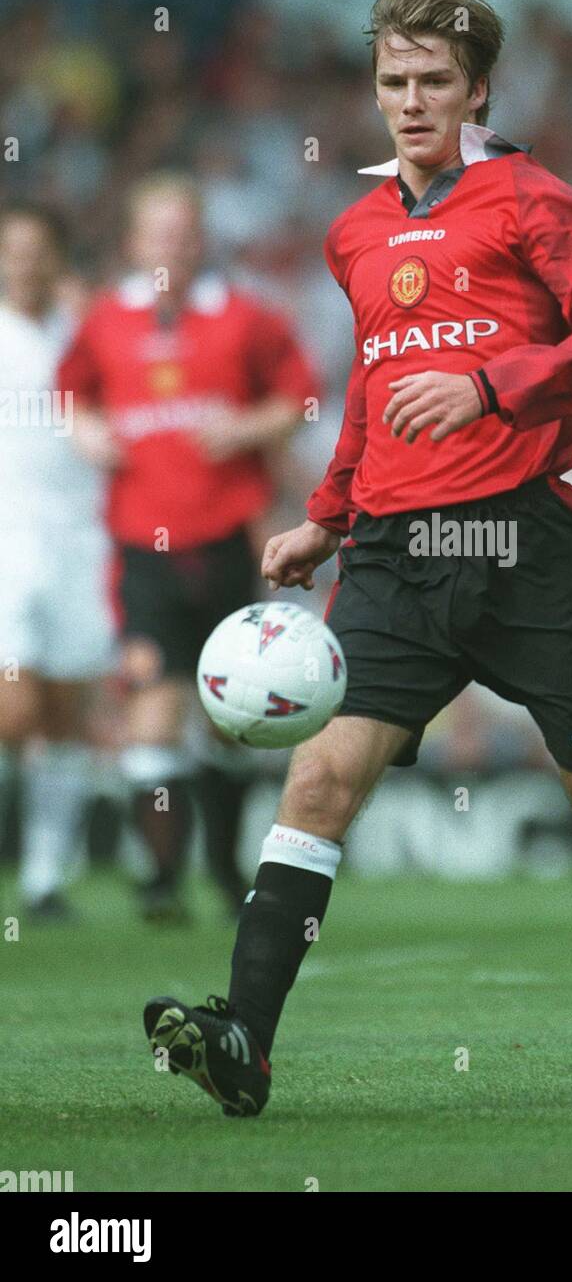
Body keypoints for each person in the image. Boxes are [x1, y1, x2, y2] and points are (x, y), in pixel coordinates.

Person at [143, 0, 572, 1116]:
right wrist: (326, 513)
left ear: (478, 91)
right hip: (394, 564)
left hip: (522, 555)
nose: (411, 102)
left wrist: (492, 385)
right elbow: (372, 387)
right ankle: (243, 1039)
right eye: (394, 82)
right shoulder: (355, 233)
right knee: (319, 779)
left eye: (434, 83)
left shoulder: (529, 202)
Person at [58, 174, 319, 920]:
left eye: (182, 232)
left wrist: (247, 428)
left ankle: (225, 861)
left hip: (227, 542)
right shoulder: (107, 320)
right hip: (141, 546)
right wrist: (83, 431)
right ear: (135, 241)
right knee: (152, 707)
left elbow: (300, 398)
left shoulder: (246, 320)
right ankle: (161, 881)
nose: (169, 245)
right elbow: (69, 391)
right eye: (156, 232)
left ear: (200, 239)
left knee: (230, 715)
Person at [0, 203, 113, 921]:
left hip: (84, 537)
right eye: (13, 249)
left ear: (59, 257)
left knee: (69, 712)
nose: (26, 262)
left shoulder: (89, 332)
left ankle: (44, 876)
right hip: (9, 538)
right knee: (16, 709)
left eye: (39, 249)